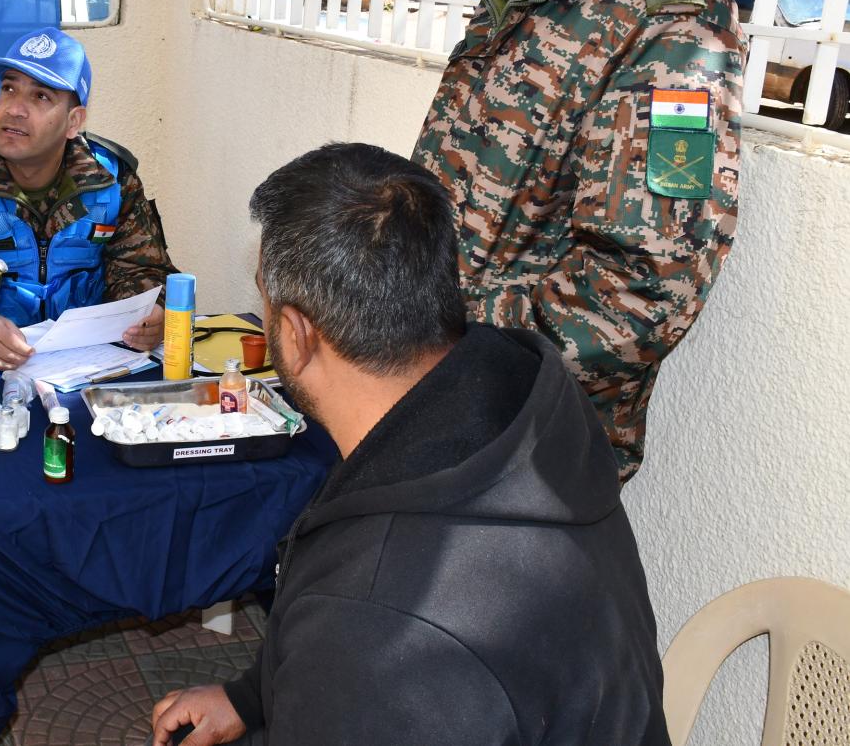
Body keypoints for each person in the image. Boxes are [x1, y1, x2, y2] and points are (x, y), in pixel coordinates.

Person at [150, 143, 669, 746]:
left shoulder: (374, 625)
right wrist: (250, 695)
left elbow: (371, 642)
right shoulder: (519, 401)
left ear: (293, 334)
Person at [364, 0, 745, 480]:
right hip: (436, 412)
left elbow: (642, 290)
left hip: (525, 451)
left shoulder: (667, 18)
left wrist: (441, 338)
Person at [0, 27, 177, 370]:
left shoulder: (112, 181)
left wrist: (151, 317)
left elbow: (148, 273)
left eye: (40, 97)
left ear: (73, 122)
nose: (15, 109)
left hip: (84, 374)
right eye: (9, 88)